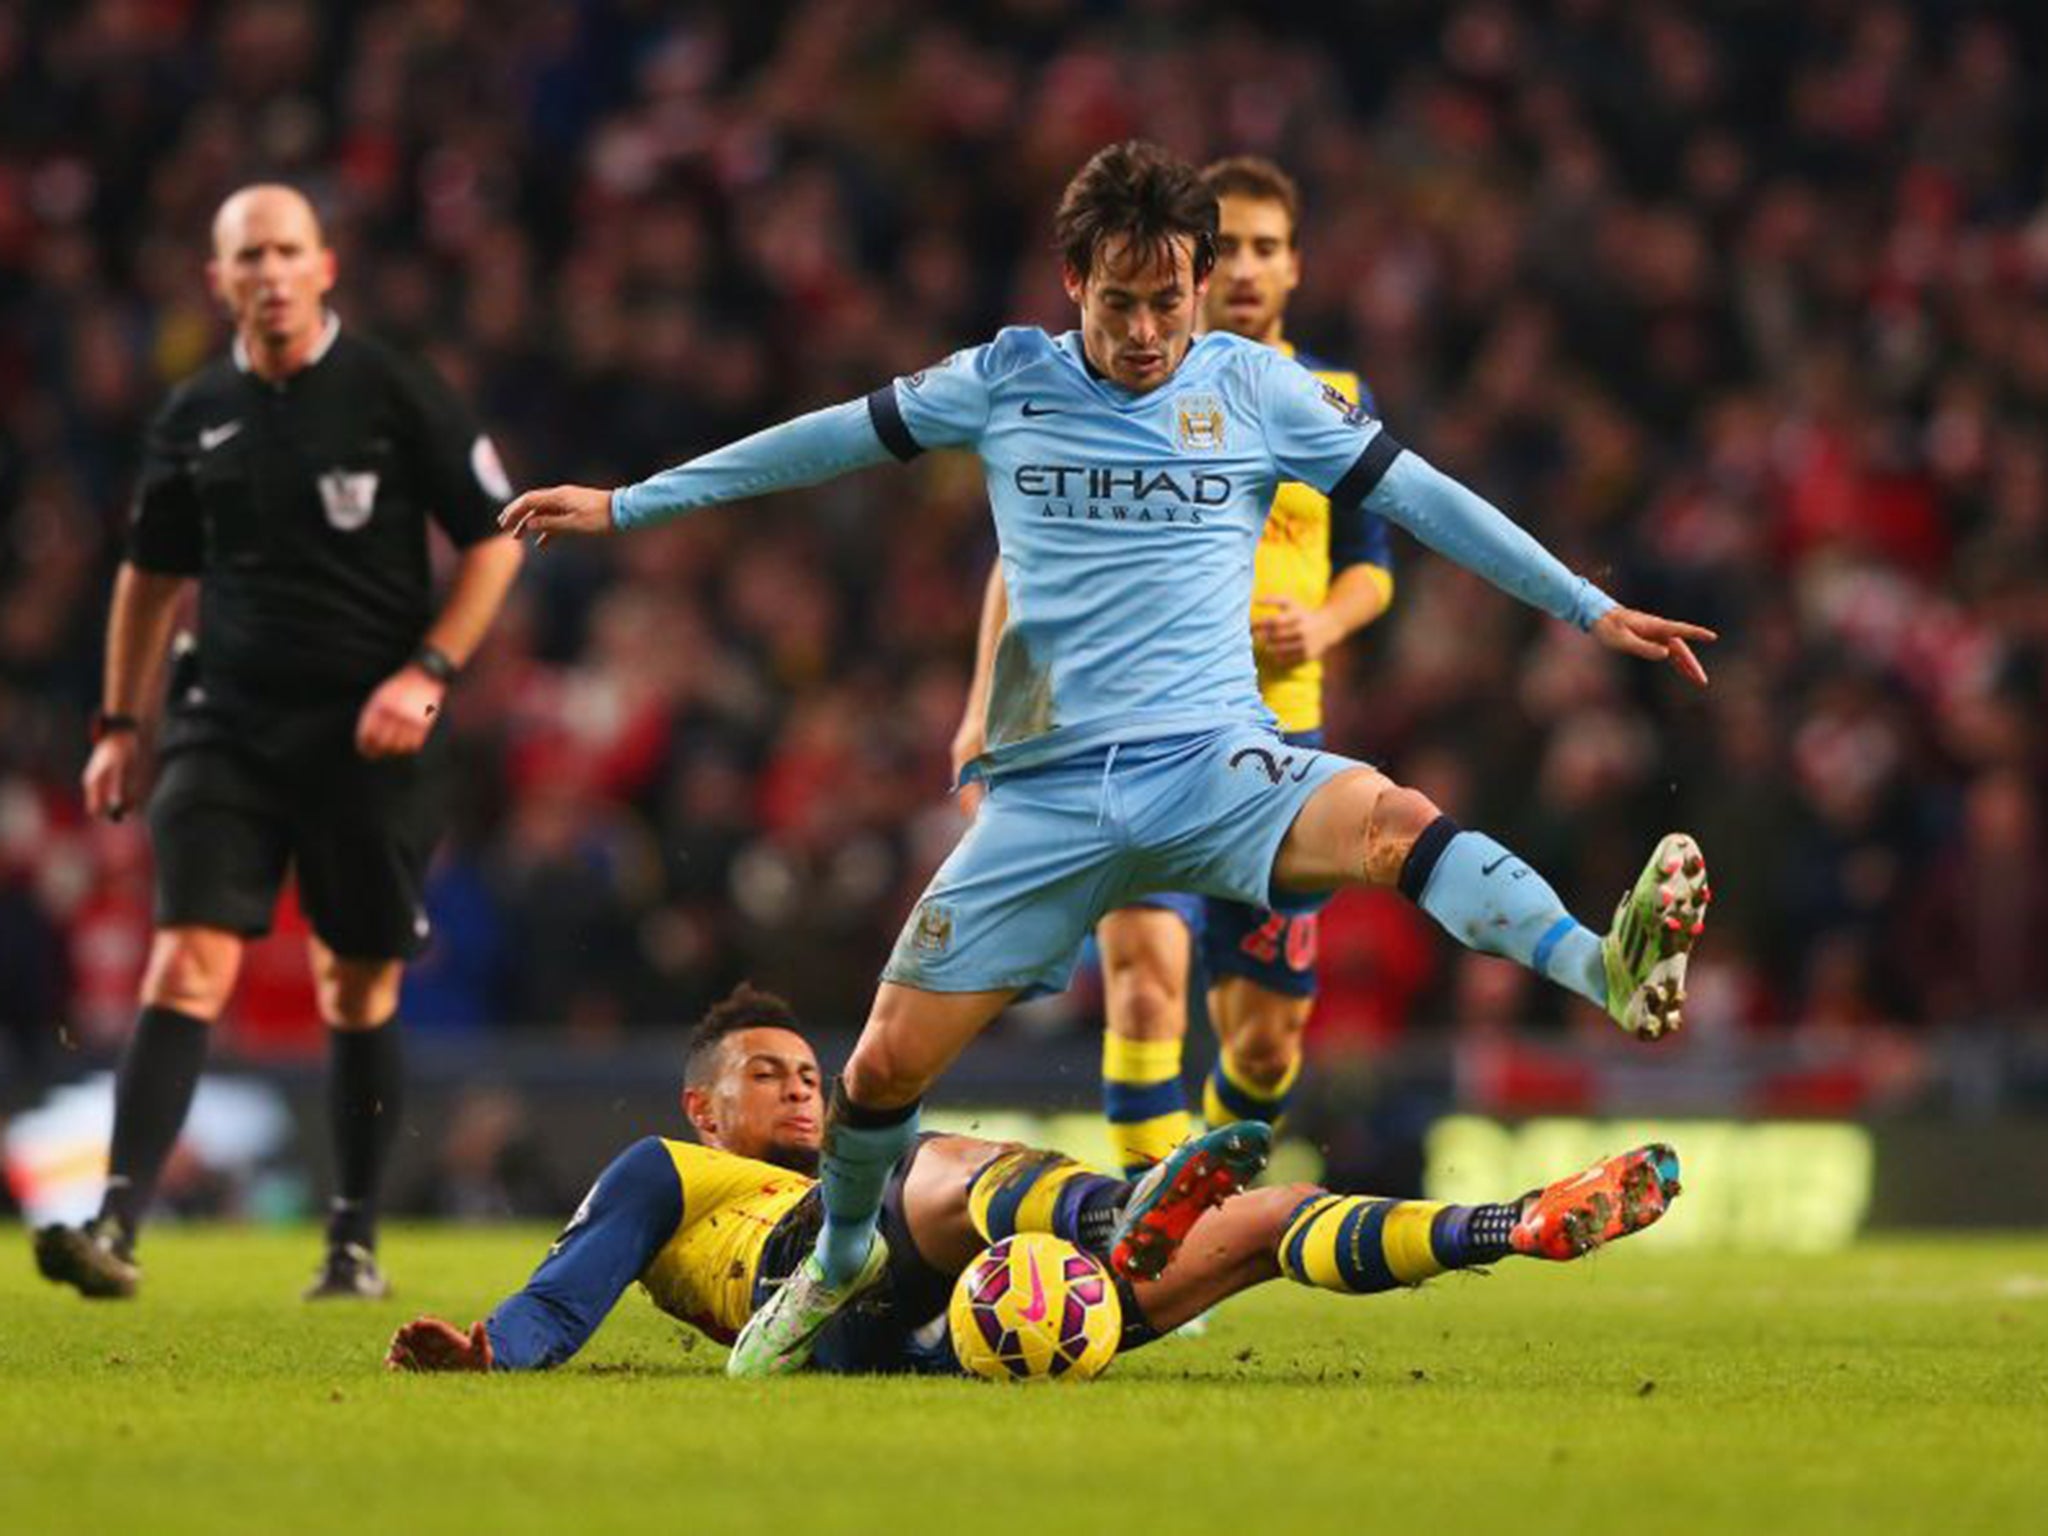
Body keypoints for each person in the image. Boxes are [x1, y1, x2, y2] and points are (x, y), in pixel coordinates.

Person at [497, 139, 1715, 1376]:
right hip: (1046, 803)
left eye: (1168, 299)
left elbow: (1423, 498)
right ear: (1071, 280)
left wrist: (1584, 607)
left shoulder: (1255, 389)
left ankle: (1602, 970)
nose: (1145, 330)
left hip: (1213, 770)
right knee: (875, 1073)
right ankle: (841, 1254)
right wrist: (628, 503)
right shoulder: (1002, 379)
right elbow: (816, 442)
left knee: (1394, 818)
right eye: (1119, 301)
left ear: (1198, 284)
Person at [33, 184, 525, 1302]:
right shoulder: (193, 411)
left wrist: (429, 673)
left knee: (355, 987)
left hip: (370, 729)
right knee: (186, 955)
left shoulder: (396, 392)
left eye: (285, 250)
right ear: (218, 280)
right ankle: (116, 1224)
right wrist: (119, 722)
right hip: (228, 724)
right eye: (246, 254)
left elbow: (495, 542)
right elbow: (150, 581)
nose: (267, 271)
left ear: (325, 265)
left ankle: (351, 1242)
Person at [384, 984, 1680, 1375]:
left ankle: (1518, 1224)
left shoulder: (844, 1149)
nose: (800, 1087)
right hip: (803, 1301)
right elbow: (577, 1281)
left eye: (809, 1074)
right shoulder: (666, 1168)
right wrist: (493, 1350)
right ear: (699, 1103)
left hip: (938, 1342)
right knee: (934, 1162)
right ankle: (1124, 1215)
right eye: (768, 1074)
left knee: (1265, 1217)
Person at [950, 155, 1395, 1177]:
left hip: (1277, 743)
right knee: (1145, 980)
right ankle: (1149, 1226)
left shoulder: (1326, 398)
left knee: (1266, 1043)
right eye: (1224, 246)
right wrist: (984, 707)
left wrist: (1320, 627)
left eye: (1264, 248)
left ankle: (1206, 1177)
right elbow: (1024, 562)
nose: (1241, 267)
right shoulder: (1102, 392)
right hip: (1135, 733)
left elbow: (1373, 566)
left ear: (1294, 268)